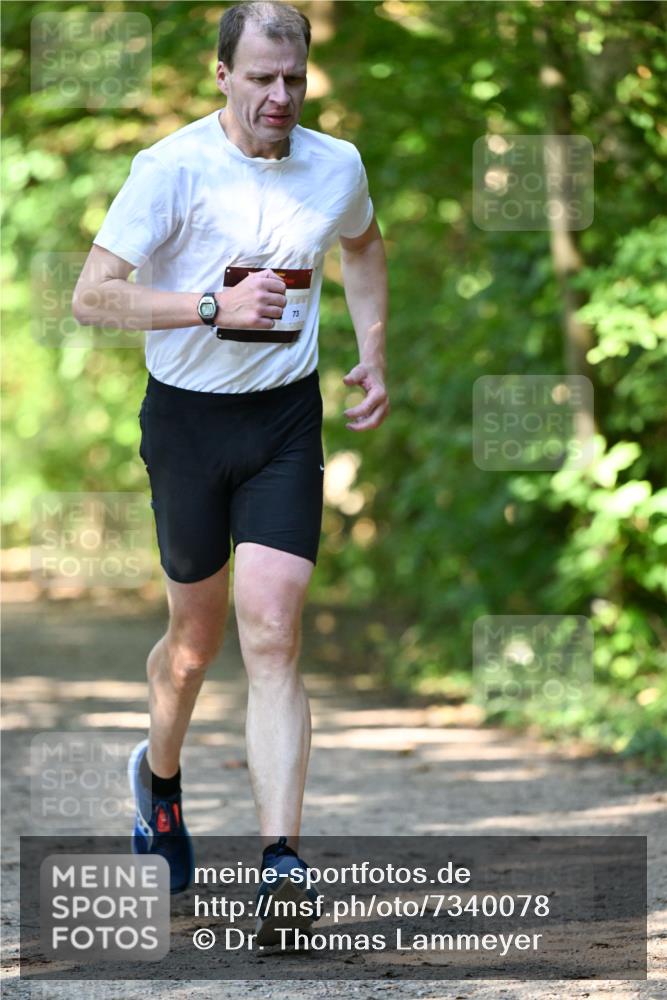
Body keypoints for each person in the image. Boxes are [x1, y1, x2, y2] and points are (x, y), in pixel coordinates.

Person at [72, 0, 389, 943]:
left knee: (274, 631)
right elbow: (94, 298)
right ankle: (159, 786)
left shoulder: (336, 166)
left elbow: (365, 248)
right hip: (188, 427)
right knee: (191, 648)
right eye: (260, 80)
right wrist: (210, 305)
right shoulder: (169, 169)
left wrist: (375, 348)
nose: (279, 98)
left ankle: (281, 865)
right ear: (222, 76)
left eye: (293, 81)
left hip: (285, 419)